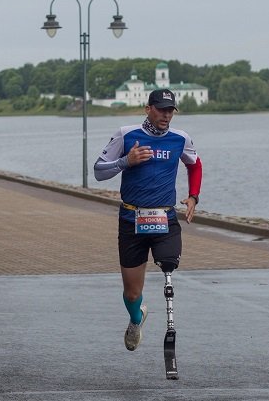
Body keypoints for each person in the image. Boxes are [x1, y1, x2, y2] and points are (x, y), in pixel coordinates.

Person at [94, 88, 202, 351]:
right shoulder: (126, 134)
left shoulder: (180, 138)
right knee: (132, 293)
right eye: (161, 109)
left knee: (168, 264)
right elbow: (98, 171)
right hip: (131, 219)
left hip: (165, 218)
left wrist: (193, 197)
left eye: (170, 110)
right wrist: (125, 161)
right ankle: (136, 317)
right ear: (148, 109)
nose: (166, 115)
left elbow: (195, 164)